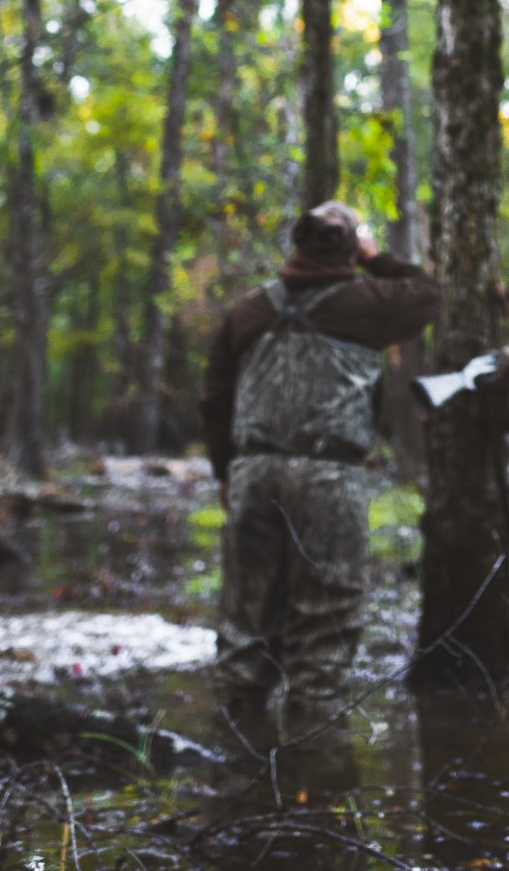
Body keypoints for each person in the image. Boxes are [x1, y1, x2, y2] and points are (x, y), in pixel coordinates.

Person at [200, 200, 440, 733]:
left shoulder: (249, 310)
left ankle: (238, 764)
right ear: (352, 248)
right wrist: (376, 259)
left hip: (252, 473)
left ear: (297, 244)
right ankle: (316, 769)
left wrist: (225, 471)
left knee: (245, 619)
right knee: (326, 624)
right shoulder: (370, 302)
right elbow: (430, 296)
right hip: (329, 476)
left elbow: (214, 397)